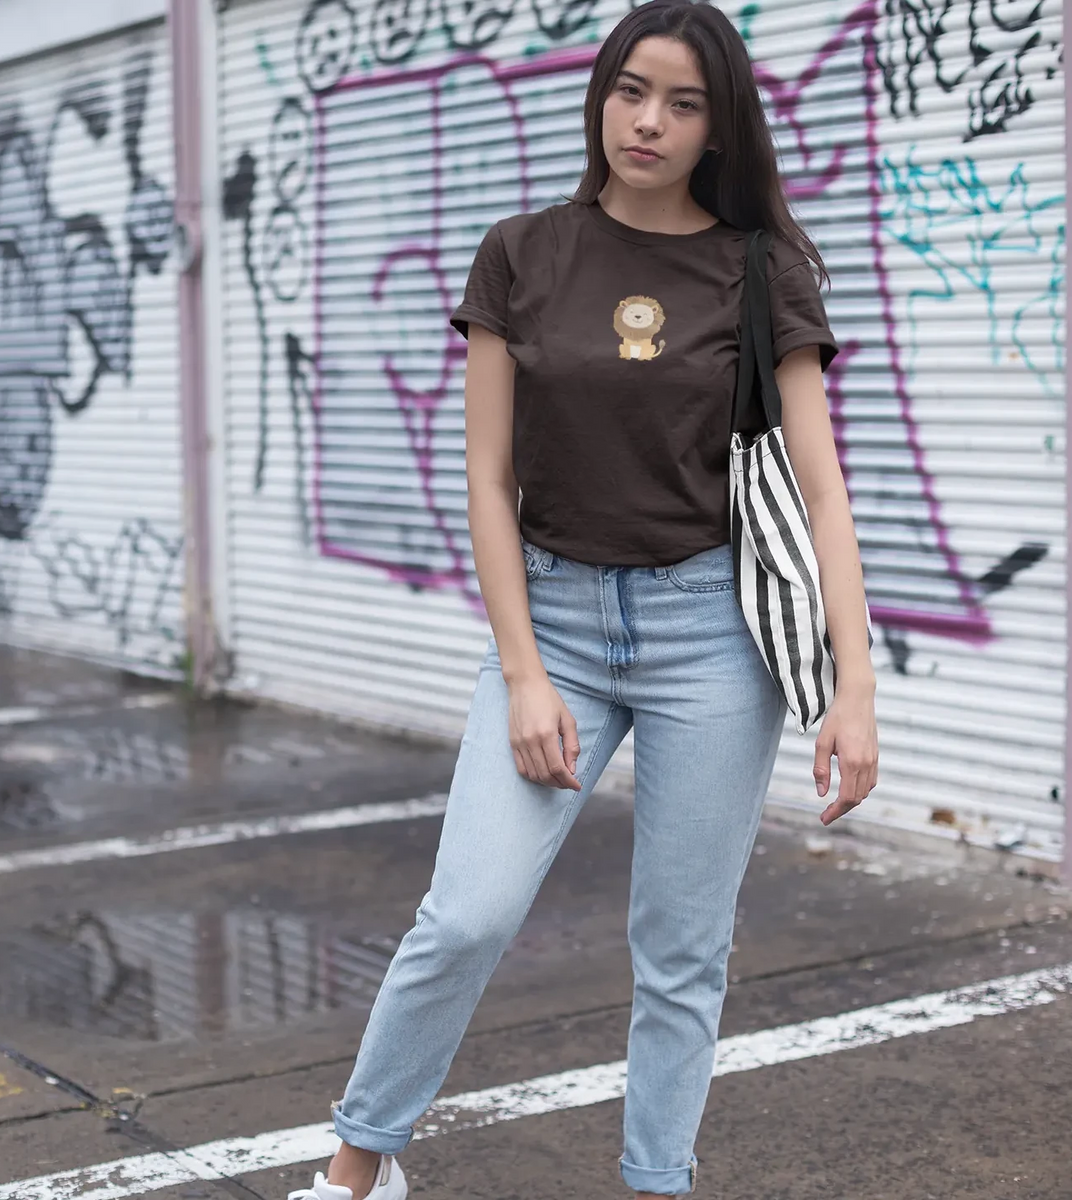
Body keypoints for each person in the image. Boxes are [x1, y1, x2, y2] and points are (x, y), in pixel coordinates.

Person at [288, 2, 878, 1196]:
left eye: (683, 103)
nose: (647, 122)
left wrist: (853, 689)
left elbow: (823, 491)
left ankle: (658, 1182)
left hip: (712, 635)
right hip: (553, 620)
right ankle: (359, 1171)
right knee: (465, 915)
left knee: (680, 953)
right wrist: (522, 673)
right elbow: (488, 478)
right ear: (600, 96)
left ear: (719, 128)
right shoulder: (522, 252)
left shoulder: (759, 270)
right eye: (630, 91)